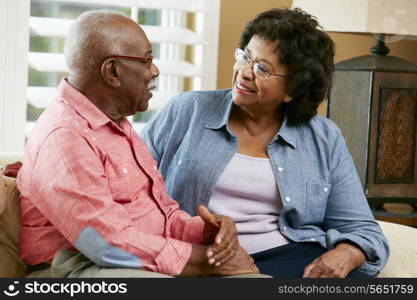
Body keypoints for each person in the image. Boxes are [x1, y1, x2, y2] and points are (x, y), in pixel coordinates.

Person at [141, 8, 390, 278]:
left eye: (262, 68)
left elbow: (362, 228)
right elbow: (130, 187)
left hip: (292, 259)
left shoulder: (324, 137)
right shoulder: (187, 110)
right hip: (204, 257)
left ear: (293, 89)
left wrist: (347, 253)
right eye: (244, 57)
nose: (245, 72)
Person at [17, 10, 261, 278]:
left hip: (129, 260)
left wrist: (206, 232)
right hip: (76, 267)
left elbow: (161, 216)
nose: (154, 71)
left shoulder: (117, 125)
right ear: (113, 71)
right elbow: (105, 244)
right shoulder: (64, 137)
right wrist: (207, 261)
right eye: (147, 60)